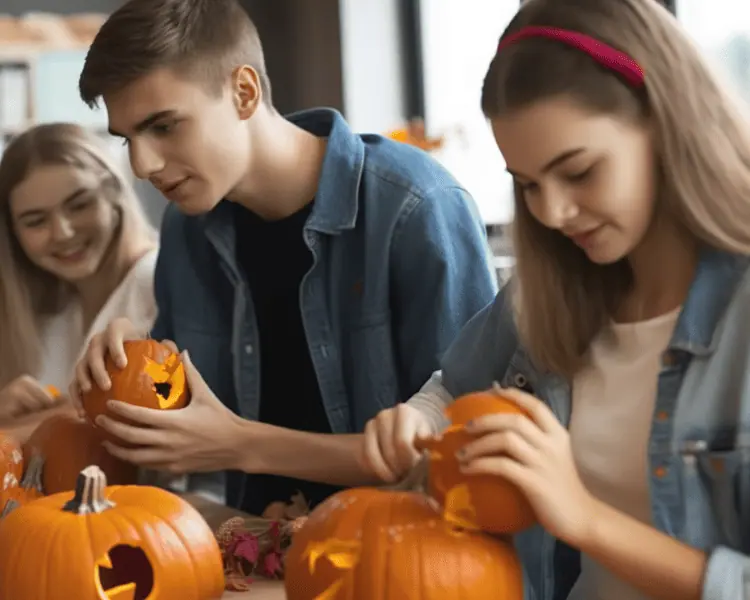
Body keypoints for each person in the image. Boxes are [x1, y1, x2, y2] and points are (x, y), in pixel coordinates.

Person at [362, 0, 750, 598]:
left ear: (667, 123)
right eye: (528, 185)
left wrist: (584, 518)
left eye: (580, 171)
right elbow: (453, 388)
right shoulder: (552, 290)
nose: (552, 213)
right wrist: (416, 420)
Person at [69, 0, 498, 516]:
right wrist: (120, 369)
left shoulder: (416, 208)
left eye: (163, 127)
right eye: (128, 138)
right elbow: (186, 422)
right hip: (252, 553)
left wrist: (243, 444)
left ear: (244, 92)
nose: (142, 165)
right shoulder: (188, 229)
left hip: (400, 559)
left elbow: (461, 444)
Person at [0, 123, 158, 440]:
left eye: (80, 205)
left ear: (114, 191)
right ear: (13, 234)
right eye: (36, 221)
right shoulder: (48, 314)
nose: (63, 232)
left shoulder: (157, 280)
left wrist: (11, 430)